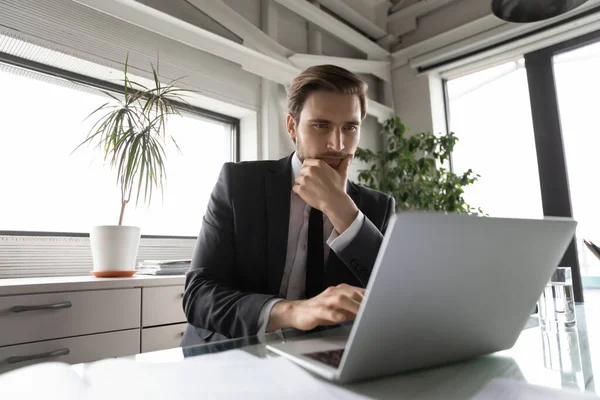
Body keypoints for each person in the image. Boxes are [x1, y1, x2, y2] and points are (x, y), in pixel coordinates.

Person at [181, 64, 396, 345]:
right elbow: (199, 295)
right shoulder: (240, 184)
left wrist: (342, 210)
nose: (337, 144)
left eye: (350, 127)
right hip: (231, 350)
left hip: (325, 357)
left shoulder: (377, 207)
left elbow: (393, 298)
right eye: (321, 125)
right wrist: (291, 312)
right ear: (292, 126)